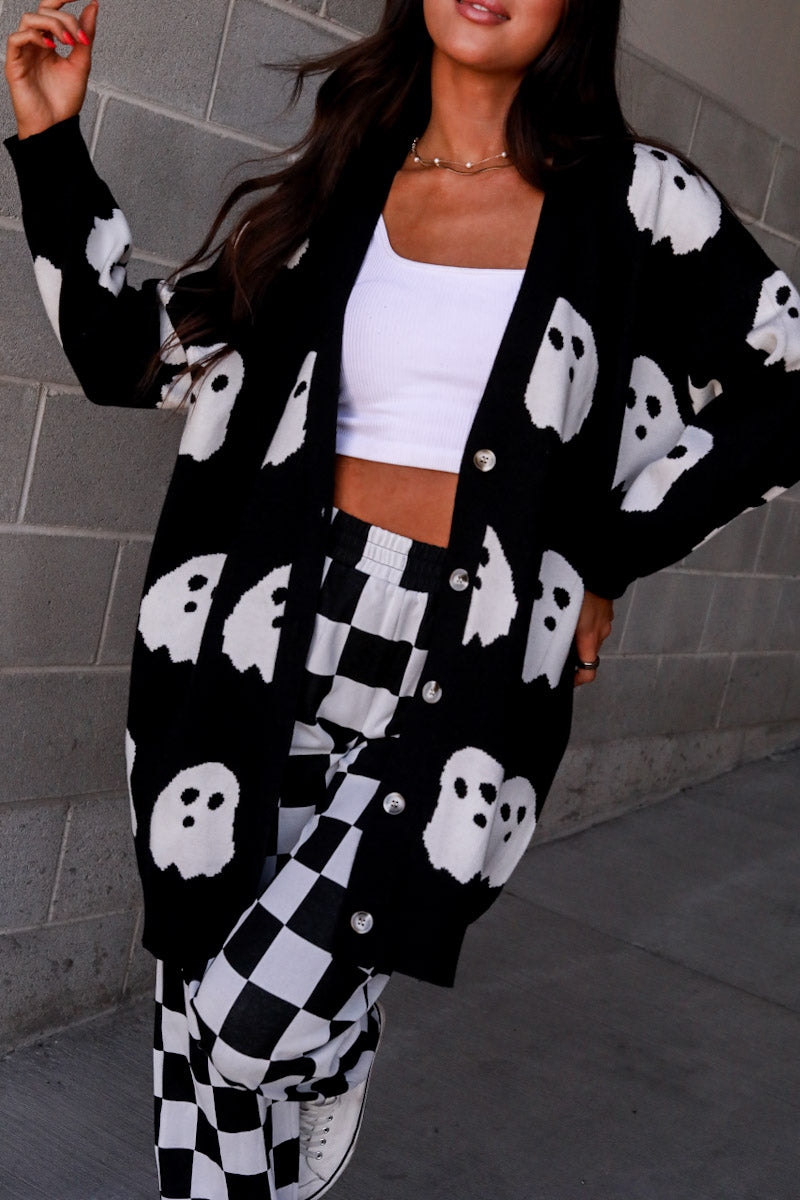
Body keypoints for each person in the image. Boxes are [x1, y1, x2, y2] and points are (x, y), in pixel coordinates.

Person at [4, 0, 800, 1197]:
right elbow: (134, 356)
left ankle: (326, 1053)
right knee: (200, 1028)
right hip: (260, 633)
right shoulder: (342, 186)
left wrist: (602, 554)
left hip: (461, 661)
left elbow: (784, 386)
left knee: (246, 1024)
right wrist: (50, 140)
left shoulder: (633, 200)